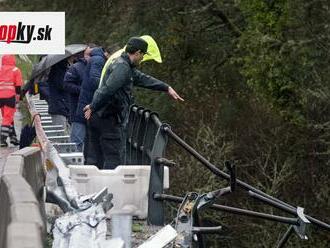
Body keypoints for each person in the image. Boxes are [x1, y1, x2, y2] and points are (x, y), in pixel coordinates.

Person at [84, 37, 184, 169]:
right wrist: (93, 106)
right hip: (108, 118)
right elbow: (108, 89)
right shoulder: (122, 68)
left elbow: (143, 79)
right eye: (142, 54)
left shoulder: (125, 66)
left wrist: (166, 87)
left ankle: (95, 186)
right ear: (137, 53)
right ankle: (111, 188)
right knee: (113, 157)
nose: (142, 58)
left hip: (104, 116)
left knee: (97, 156)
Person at [75, 46, 117, 156]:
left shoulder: (97, 59)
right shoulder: (98, 60)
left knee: (89, 137)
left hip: (88, 100)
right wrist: (108, 88)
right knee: (83, 135)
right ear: (107, 54)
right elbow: (95, 79)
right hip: (89, 101)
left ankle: (87, 159)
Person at [63, 45, 94, 151]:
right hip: (78, 111)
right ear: (83, 55)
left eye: (92, 55)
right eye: (88, 54)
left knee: (91, 145)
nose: (90, 57)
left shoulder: (98, 67)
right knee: (77, 141)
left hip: (93, 111)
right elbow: (66, 85)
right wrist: (83, 90)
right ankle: (75, 166)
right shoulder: (76, 67)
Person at [0, 55, 23, 147]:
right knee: (7, 118)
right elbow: (18, 86)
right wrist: (18, 97)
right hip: (10, 96)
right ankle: (2, 139)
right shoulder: (16, 70)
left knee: (7, 117)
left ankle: (13, 138)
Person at [47, 58, 71, 131]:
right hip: (59, 106)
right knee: (60, 134)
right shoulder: (59, 71)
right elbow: (62, 85)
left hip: (60, 106)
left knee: (62, 133)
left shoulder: (58, 70)